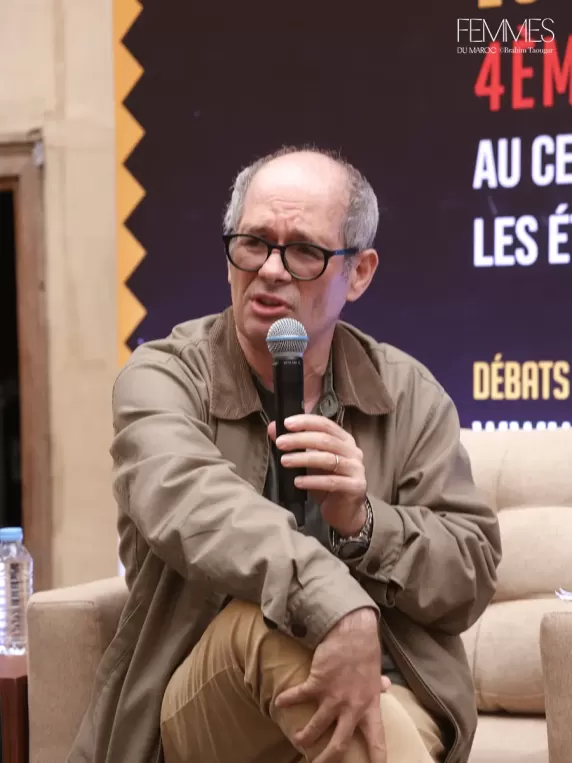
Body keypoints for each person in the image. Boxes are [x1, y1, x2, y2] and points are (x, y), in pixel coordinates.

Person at [67, 147, 501, 763]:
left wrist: (364, 524)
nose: (270, 270)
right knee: (266, 629)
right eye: (253, 243)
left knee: (366, 722)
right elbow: (189, 502)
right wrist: (334, 604)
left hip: (386, 684)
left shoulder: (408, 394)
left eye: (302, 251)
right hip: (209, 688)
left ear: (359, 272)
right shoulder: (164, 377)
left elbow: (470, 574)